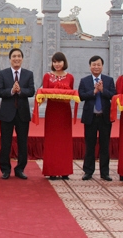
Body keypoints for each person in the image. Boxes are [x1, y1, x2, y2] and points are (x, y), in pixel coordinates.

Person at [0, 48, 35, 180]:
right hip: (7, 114)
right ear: (10, 59)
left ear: (22, 59)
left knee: (22, 143)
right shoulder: (2, 73)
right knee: (5, 142)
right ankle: (5, 169)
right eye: (14, 56)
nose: (16, 58)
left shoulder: (28, 74)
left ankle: (20, 169)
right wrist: (12, 91)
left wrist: (20, 91)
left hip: (23, 114)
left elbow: (31, 91)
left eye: (19, 56)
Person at [78, 55, 116, 181]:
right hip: (90, 117)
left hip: (105, 117)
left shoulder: (109, 80)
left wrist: (102, 90)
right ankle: (88, 171)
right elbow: (81, 96)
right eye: (93, 65)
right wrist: (94, 92)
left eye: (98, 64)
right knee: (90, 145)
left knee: (105, 145)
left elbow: (114, 96)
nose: (96, 67)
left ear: (102, 66)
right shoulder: (85, 81)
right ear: (90, 66)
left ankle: (105, 172)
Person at [41, 52, 74, 180]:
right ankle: (52, 170)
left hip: (64, 111)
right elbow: (44, 92)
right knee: (52, 140)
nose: (57, 64)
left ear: (64, 62)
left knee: (64, 140)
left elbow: (71, 93)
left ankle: (65, 170)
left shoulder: (70, 77)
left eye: (59, 62)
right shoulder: (47, 76)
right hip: (52, 111)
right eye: (55, 62)